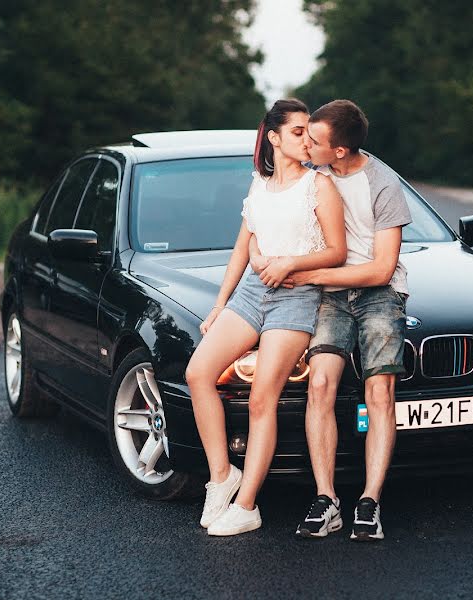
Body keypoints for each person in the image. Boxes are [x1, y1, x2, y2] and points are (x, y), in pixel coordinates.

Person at [184, 99, 347, 537]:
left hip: (296, 295)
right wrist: (220, 304)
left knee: (262, 398)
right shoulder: (258, 185)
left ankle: (247, 504)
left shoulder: (319, 185)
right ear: (273, 137)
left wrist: (288, 263)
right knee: (198, 372)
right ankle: (222, 476)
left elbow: (337, 251)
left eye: (309, 133)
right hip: (253, 293)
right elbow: (242, 248)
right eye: (297, 132)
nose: (307, 140)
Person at [282, 99, 412, 542]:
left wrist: (311, 274)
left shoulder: (383, 184)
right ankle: (327, 499)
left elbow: (381, 268)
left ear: (340, 151)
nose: (306, 145)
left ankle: (370, 502)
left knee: (380, 390)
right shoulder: (314, 178)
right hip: (332, 298)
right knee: (319, 384)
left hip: (379, 295)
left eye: (315, 141)